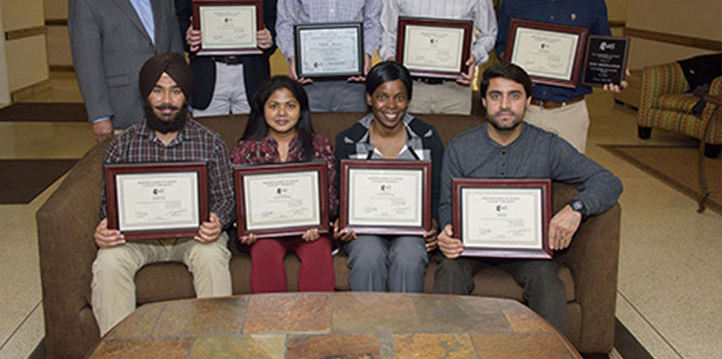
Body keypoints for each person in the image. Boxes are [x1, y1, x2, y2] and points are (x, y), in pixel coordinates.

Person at [434, 62, 622, 335]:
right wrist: (448, 231)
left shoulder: (547, 145)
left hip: (526, 248)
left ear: (528, 101)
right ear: (484, 101)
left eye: (515, 95)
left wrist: (576, 209)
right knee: (448, 272)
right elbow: (447, 204)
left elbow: (608, 181)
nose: (505, 105)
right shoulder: (461, 147)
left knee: (548, 282)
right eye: (496, 96)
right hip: (469, 247)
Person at [90, 53, 234, 335]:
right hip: (139, 239)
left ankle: (216, 348)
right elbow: (110, 205)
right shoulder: (123, 146)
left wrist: (218, 220)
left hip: (193, 237)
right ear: (146, 95)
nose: (166, 101)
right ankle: (121, 351)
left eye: (175, 91)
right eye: (158, 90)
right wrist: (104, 227)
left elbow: (226, 198)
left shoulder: (210, 142)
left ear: (186, 96)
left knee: (212, 255)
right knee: (108, 262)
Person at [496, 0, 626, 153]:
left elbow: (603, 48)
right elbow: (500, 47)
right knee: (520, 180)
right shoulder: (514, 1)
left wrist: (611, 72)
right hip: (524, 110)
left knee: (568, 183)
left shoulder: (592, 1)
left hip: (570, 112)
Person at [68, 0, 183, 142]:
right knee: (128, 174)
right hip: (121, 108)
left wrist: (182, 99)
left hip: (166, 108)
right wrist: (100, 115)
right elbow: (87, 61)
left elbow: (175, 52)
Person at [334, 61, 443, 292]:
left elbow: (436, 192)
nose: (391, 106)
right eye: (382, 97)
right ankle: (368, 326)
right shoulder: (348, 140)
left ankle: (403, 327)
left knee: (410, 255)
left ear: (408, 100)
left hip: (410, 230)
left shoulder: (427, 136)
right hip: (365, 229)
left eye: (400, 98)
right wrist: (340, 222)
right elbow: (339, 194)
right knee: (367, 254)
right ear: (369, 98)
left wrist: (433, 223)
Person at [231, 76, 338, 292]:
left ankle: (316, 323)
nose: (282, 113)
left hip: (309, 232)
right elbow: (237, 201)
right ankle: (272, 324)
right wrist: (245, 226)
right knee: (265, 252)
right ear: (262, 111)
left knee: (318, 250)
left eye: (290, 106)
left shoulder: (319, 146)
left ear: (301, 110)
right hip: (264, 233)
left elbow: (331, 198)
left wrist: (319, 223)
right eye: (274, 106)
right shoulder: (245, 150)